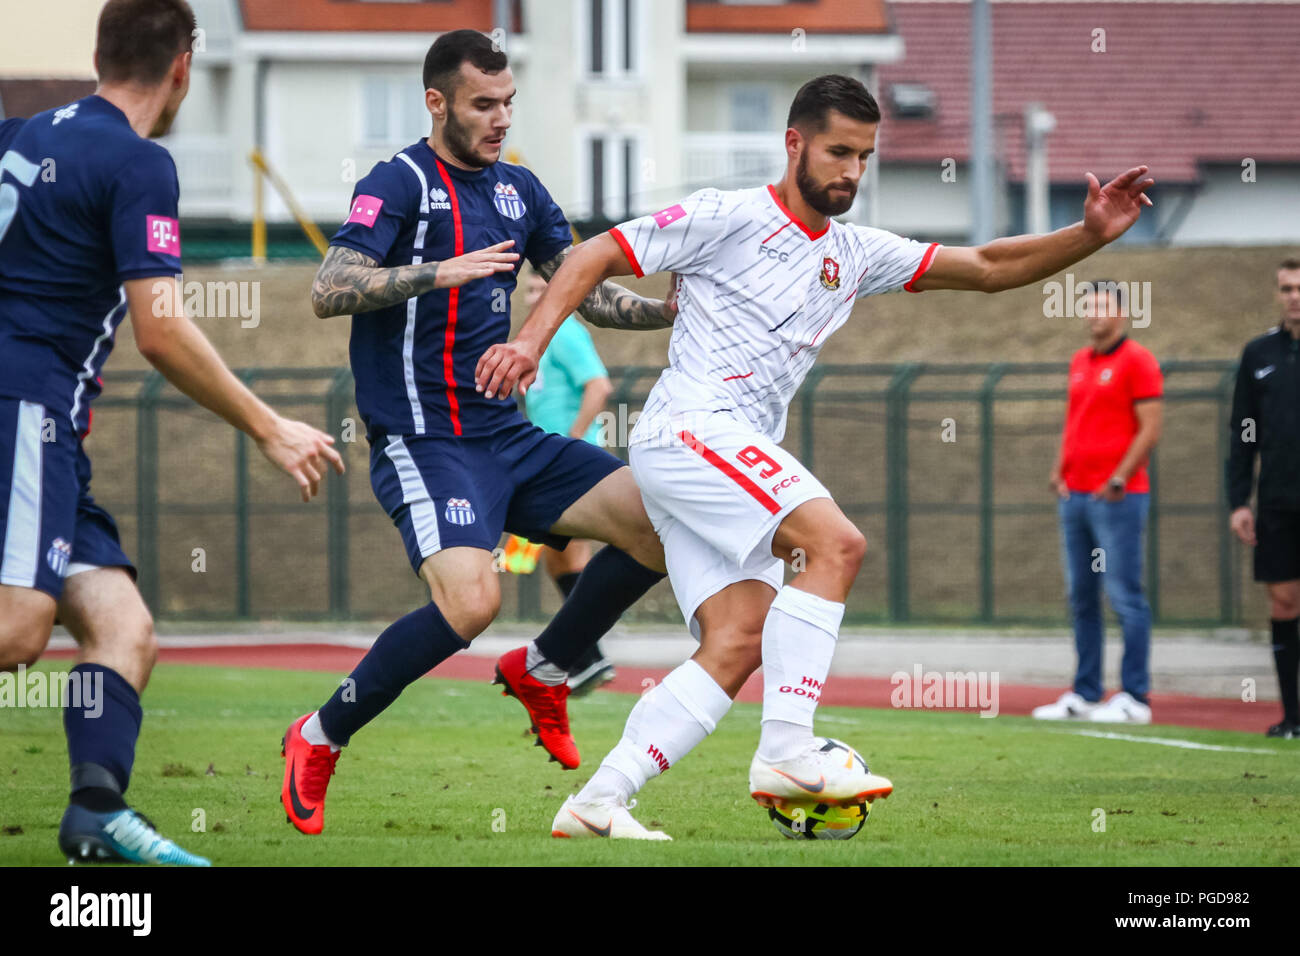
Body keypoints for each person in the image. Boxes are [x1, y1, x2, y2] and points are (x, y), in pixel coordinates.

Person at [476, 73, 1155, 838]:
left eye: (864, 157)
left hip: (721, 453)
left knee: (738, 639)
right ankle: (789, 751)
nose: (852, 172)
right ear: (794, 143)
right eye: (838, 152)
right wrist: (529, 342)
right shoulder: (724, 214)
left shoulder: (858, 253)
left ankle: (598, 801)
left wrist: (1090, 234)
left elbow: (990, 268)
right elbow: (593, 253)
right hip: (690, 429)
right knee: (836, 543)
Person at [280, 29, 676, 836]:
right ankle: (319, 734)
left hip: (509, 435)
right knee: (473, 601)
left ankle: (545, 668)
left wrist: (666, 311)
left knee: (658, 521)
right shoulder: (397, 181)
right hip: (426, 441)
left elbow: (582, 289)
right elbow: (329, 287)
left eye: (507, 103)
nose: (499, 119)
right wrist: (439, 272)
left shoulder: (519, 190)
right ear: (437, 103)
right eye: (482, 104)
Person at [0, 0, 343, 865]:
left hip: (50, 432)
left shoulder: (19, 133)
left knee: (123, 628)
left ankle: (94, 814)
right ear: (184, 66)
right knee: (15, 631)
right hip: (23, 408)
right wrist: (268, 425)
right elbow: (161, 329)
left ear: (97, 52)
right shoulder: (138, 161)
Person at [1034, 282, 1163, 724]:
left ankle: (1135, 697)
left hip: (1119, 498)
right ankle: (1086, 692)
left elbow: (1149, 429)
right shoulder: (1079, 362)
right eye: (1088, 306)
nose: (1094, 314)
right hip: (1076, 497)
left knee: (1125, 595)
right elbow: (1076, 422)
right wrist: (1058, 469)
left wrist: (1119, 477)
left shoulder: (1139, 362)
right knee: (1082, 596)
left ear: (1123, 313)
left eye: (1103, 306)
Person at [520, 271, 617, 695]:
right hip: (549, 461)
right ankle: (585, 656)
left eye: (543, 288)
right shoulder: (539, 341)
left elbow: (599, 386)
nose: (534, 296)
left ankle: (586, 656)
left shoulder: (565, 333)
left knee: (572, 554)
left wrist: (572, 439)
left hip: (568, 462)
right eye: (529, 289)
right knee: (557, 559)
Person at [1226, 257, 1300, 739]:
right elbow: (1241, 434)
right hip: (1277, 501)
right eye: (1287, 287)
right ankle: (1292, 717)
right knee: (1284, 603)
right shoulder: (1259, 354)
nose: (1294, 295)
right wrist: (1239, 501)